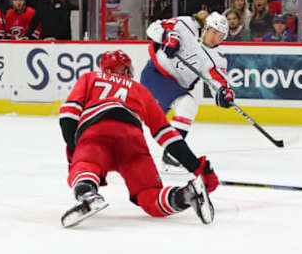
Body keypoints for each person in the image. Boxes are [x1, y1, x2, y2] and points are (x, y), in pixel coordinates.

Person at [59, 50, 218, 227]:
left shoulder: (90, 77)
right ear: (127, 70)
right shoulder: (140, 90)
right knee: (149, 194)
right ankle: (186, 195)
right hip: (132, 140)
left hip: (97, 132)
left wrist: (74, 148)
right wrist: (196, 167)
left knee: (86, 166)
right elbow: (167, 135)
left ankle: (88, 194)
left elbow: (69, 114)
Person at [141, 11, 234, 169]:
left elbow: (217, 81)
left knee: (141, 119)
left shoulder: (216, 58)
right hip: (155, 75)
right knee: (188, 105)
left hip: (174, 88)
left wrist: (224, 93)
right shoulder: (185, 24)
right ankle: (173, 152)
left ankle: (171, 152)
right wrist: (166, 37)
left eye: (219, 36)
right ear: (205, 28)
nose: (214, 38)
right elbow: (152, 28)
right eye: (213, 32)